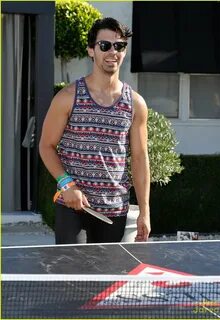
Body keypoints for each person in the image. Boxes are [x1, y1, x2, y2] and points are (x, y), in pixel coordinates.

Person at [39, 17, 151, 244]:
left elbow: (140, 158)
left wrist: (145, 212)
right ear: (91, 50)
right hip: (73, 207)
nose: (113, 52)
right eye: (105, 45)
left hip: (115, 212)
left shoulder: (136, 104)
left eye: (119, 46)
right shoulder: (68, 97)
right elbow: (46, 146)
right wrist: (66, 185)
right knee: (71, 278)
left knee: (107, 279)